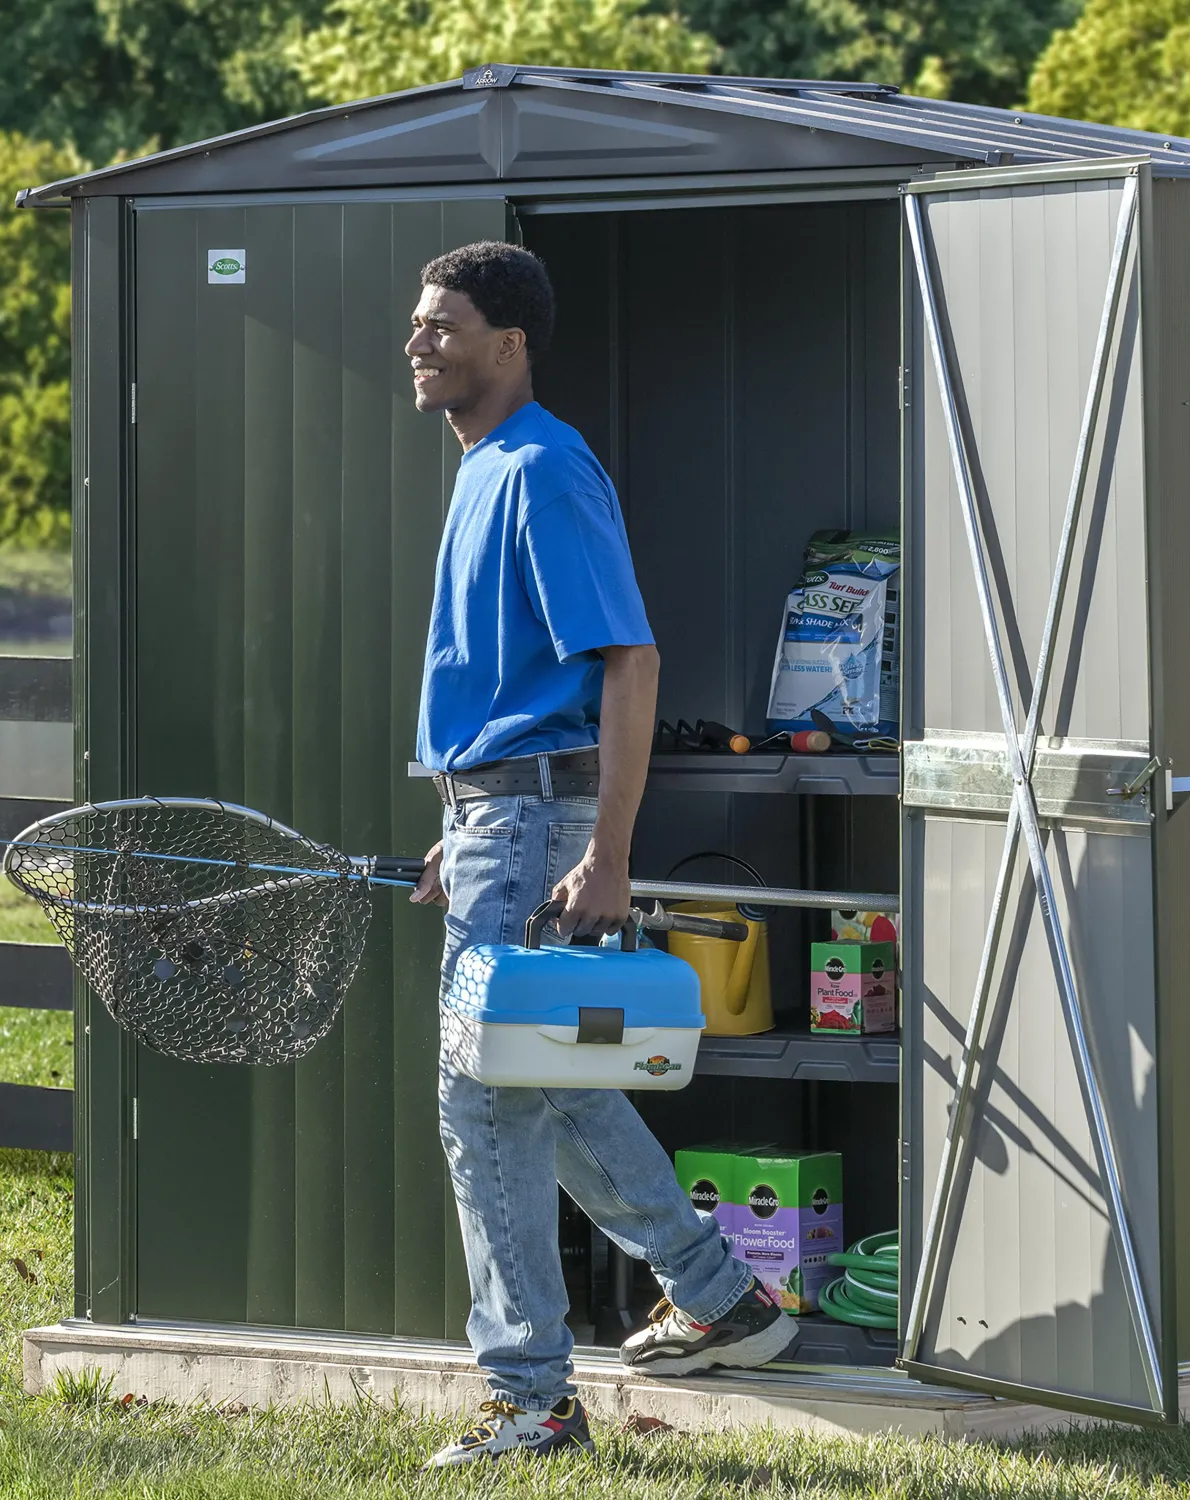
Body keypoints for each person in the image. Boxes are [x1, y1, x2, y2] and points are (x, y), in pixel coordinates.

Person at [405, 242, 798, 1468]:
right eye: (416, 325)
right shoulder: (483, 468)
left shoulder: (543, 472)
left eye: (442, 325)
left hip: (530, 826)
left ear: (509, 342)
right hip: (498, 820)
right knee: (553, 1085)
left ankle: (531, 1399)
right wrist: (464, 820)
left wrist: (607, 851)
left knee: (482, 1105)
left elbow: (631, 663)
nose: (418, 343)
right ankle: (725, 1298)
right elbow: (521, 695)